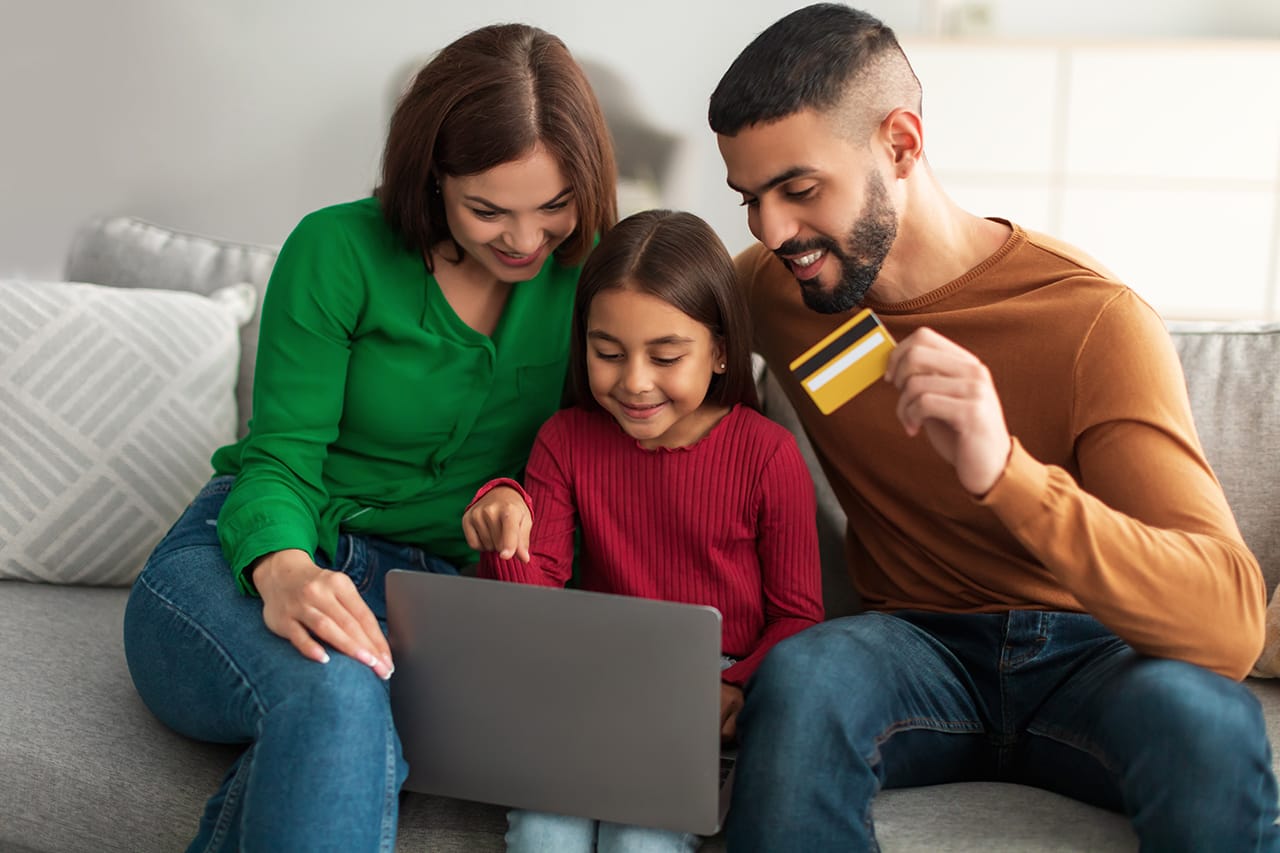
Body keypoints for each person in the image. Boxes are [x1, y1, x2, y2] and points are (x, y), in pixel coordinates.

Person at [707, 4, 1279, 850]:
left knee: (1207, 718)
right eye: (751, 199)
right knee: (803, 678)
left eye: (799, 189)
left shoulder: (1094, 322)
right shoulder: (776, 290)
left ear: (901, 144)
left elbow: (1227, 624)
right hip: (911, 647)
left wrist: (1004, 472)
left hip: (1095, 652)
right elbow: (642, 358)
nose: (771, 230)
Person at [121, 23, 616, 852]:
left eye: (554, 208)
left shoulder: (593, 274)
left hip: (433, 600)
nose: (527, 241)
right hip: (244, 555)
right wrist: (284, 571)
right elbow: (280, 458)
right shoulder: (337, 249)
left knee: (349, 713)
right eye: (488, 210)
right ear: (431, 178)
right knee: (339, 691)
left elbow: (607, 450)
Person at [462, 209, 825, 853]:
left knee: (641, 842)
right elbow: (530, 605)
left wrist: (733, 685)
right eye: (607, 353)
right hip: (586, 672)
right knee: (544, 834)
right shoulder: (566, 439)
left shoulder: (767, 455)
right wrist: (504, 509)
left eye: (665, 356)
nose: (633, 382)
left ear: (717, 350)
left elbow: (798, 617)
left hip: (699, 682)